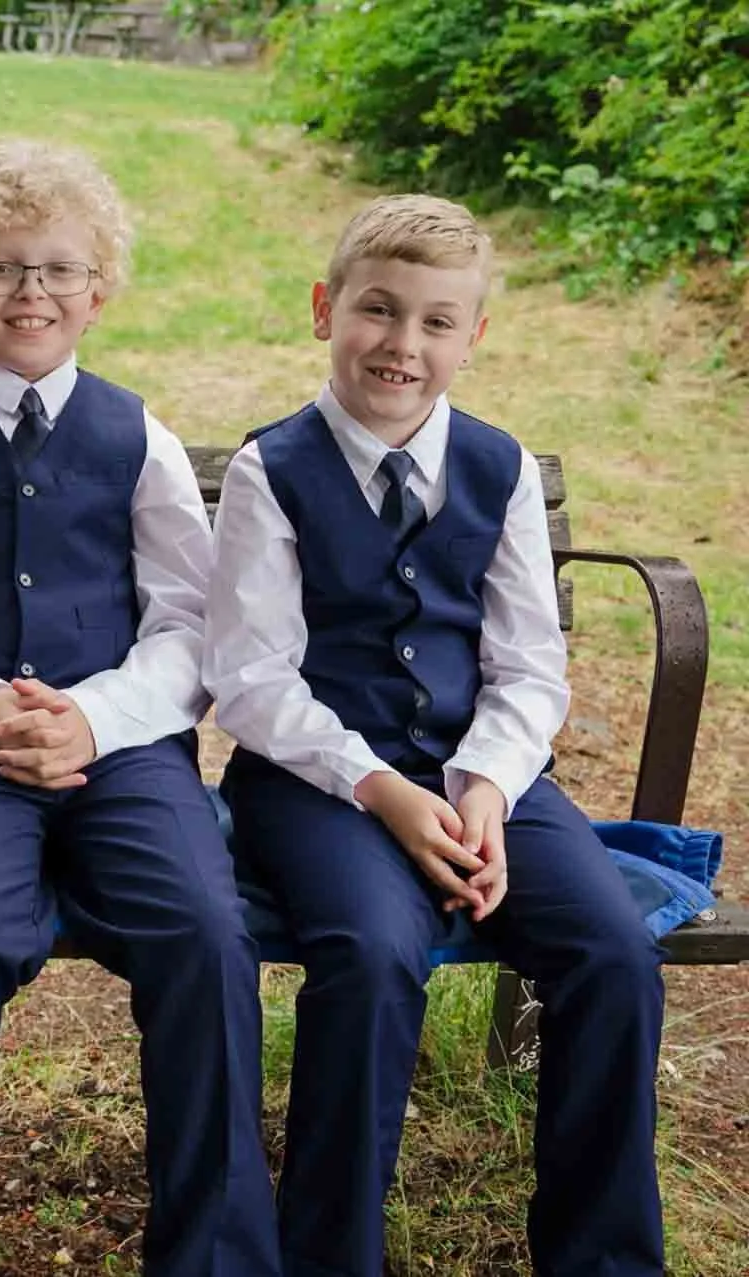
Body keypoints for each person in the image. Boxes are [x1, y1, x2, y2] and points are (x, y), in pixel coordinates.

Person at [0, 140, 278, 1277]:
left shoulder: (143, 440)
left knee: (204, 928)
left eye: (56, 269)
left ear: (99, 290)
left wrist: (95, 717)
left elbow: (190, 623)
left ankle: (218, 1249)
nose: (29, 291)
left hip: (123, 748)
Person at [204, 193, 665, 1276]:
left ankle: (603, 1258)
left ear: (474, 336)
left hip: (482, 777)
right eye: (378, 310)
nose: (402, 344)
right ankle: (333, 1254)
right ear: (327, 309)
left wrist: (489, 790)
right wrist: (386, 791)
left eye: (435, 322)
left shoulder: (498, 471)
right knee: (367, 951)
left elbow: (527, 666)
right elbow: (253, 680)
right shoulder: (273, 472)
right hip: (318, 780)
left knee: (612, 951)